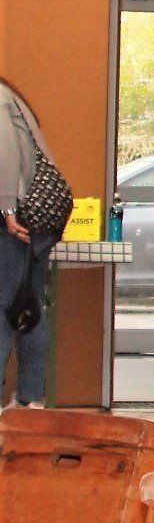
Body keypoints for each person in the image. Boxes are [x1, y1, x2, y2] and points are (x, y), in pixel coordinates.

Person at [0, 78, 59, 412]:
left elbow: (5, 152)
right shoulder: (11, 95)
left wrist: (8, 209)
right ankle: (31, 398)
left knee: (4, 308)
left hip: (14, 222)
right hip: (35, 220)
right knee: (29, 306)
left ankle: (27, 398)